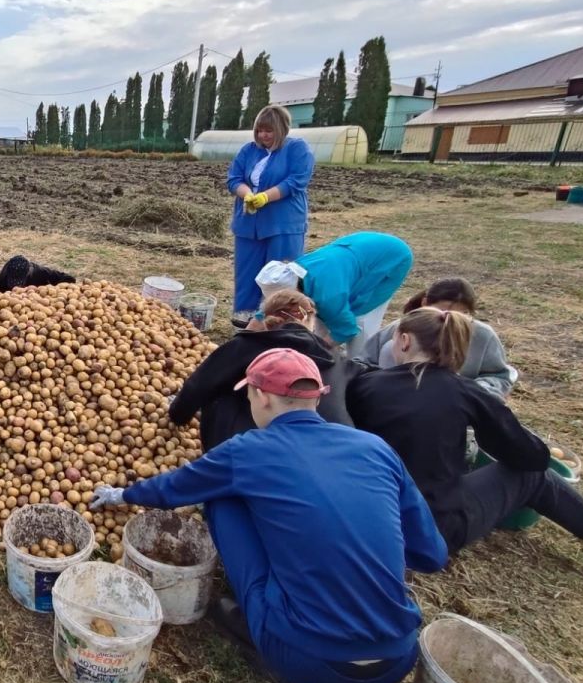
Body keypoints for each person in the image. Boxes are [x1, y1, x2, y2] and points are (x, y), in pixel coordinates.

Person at [91, 349, 447, 683]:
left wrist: (120, 495)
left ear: (261, 396)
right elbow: (431, 554)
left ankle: (253, 621)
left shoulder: (248, 451)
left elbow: (175, 488)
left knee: (222, 497)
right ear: (317, 398)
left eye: (248, 396)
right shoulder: (376, 448)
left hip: (306, 659)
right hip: (398, 658)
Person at [348, 308, 583, 554]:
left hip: (367, 522)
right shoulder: (467, 393)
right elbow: (532, 457)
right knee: (534, 475)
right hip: (427, 532)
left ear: (404, 340)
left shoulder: (364, 384)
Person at [168, 289, 360, 450]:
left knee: (221, 390)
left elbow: (199, 385)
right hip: (330, 450)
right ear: (311, 322)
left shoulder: (248, 345)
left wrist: (176, 417)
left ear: (267, 319)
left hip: (253, 450)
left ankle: (220, 456)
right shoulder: (335, 358)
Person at [355, 277, 517, 398]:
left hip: (456, 406)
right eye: (441, 311)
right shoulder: (401, 328)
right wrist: (385, 384)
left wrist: (473, 393)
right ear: (425, 303)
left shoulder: (482, 335)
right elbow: (363, 363)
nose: (449, 320)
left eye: (463, 315)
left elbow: (500, 376)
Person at [227, 105, 314, 325]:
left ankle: (279, 321)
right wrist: (247, 195)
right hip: (249, 223)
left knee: (279, 276)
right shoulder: (249, 150)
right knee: (247, 272)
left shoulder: (297, 149)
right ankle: (244, 321)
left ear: (282, 129)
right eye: (259, 131)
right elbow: (234, 179)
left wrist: (266, 196)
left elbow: (296, 181)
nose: (263, 135)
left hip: (282, 223)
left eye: (269, 131)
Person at [257, 231, 413, 353]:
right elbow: (271, 309)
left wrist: (315, 351)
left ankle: (361, 366)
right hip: (358, 247)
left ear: (294, 295)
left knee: (360, 321)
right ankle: (329, 363)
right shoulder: (292, 273)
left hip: (390, 256)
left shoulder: (330, 295)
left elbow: (347, 329)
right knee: (324, 320)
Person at [0, 255, 76, 292]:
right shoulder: (3, 276)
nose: (17, 288)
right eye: (13, 283)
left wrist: (50, 291)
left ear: (29, 272)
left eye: (20, 283)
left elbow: (70, 279)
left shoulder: (41, 272)